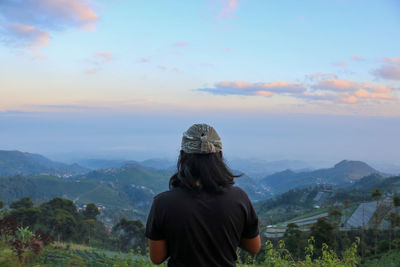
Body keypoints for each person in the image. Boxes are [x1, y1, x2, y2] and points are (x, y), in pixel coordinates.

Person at [145, 124, 261, 266]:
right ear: (220, 155)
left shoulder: (163, 203)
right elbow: (254, 247)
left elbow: (157, 258)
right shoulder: (239, 198)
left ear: (182, 156)